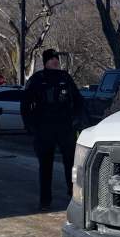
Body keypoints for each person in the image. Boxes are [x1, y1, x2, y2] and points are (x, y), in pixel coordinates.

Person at [21, 49, 84, 210]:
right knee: (45, 165)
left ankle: (73, 194)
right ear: (45, 62)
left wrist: (78, 120)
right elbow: (25, 104)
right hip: (44, 128)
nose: (55, 61)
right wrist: (30, 126)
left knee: (71, 163)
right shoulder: (37, 78)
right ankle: (45, 200)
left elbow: (78, 100)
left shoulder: (65, 77)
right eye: (51, 59)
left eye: (56, 59)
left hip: (65, 127)